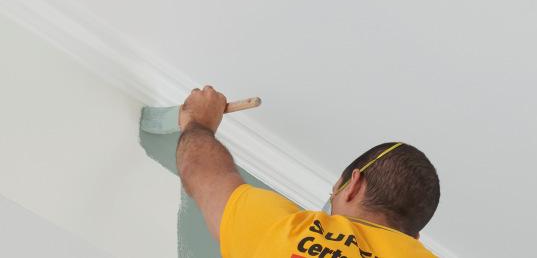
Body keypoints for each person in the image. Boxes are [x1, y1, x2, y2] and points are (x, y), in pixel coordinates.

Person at [177, 86, 441, 258]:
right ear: (413, 238)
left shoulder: (290, 229)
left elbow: (202, 171)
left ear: (353, 186)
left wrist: (198, 121)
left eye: (334, 193)